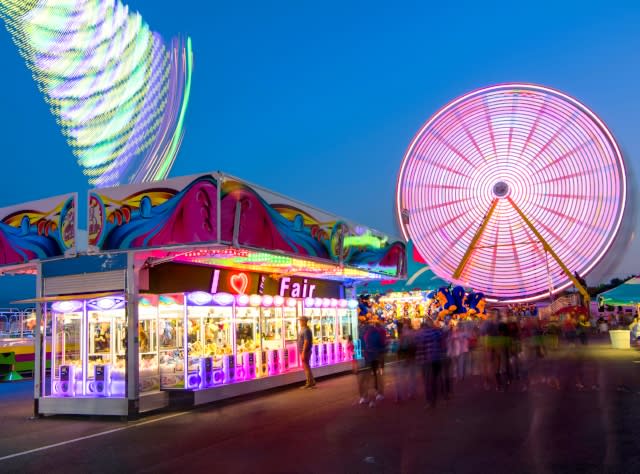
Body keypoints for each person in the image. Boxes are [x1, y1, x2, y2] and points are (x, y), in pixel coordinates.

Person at [297, 316, 315, 389]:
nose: (300, 322)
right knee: (307, 366)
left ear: (304, 321)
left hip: (305, 351)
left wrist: (303, 352)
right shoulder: (303, 329)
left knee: (306, 367)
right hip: (303, 351)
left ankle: (309, 383)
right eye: (300, 321)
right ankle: (312, 381)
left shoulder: (306, 330)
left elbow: (306, 342)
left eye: (301, 321)